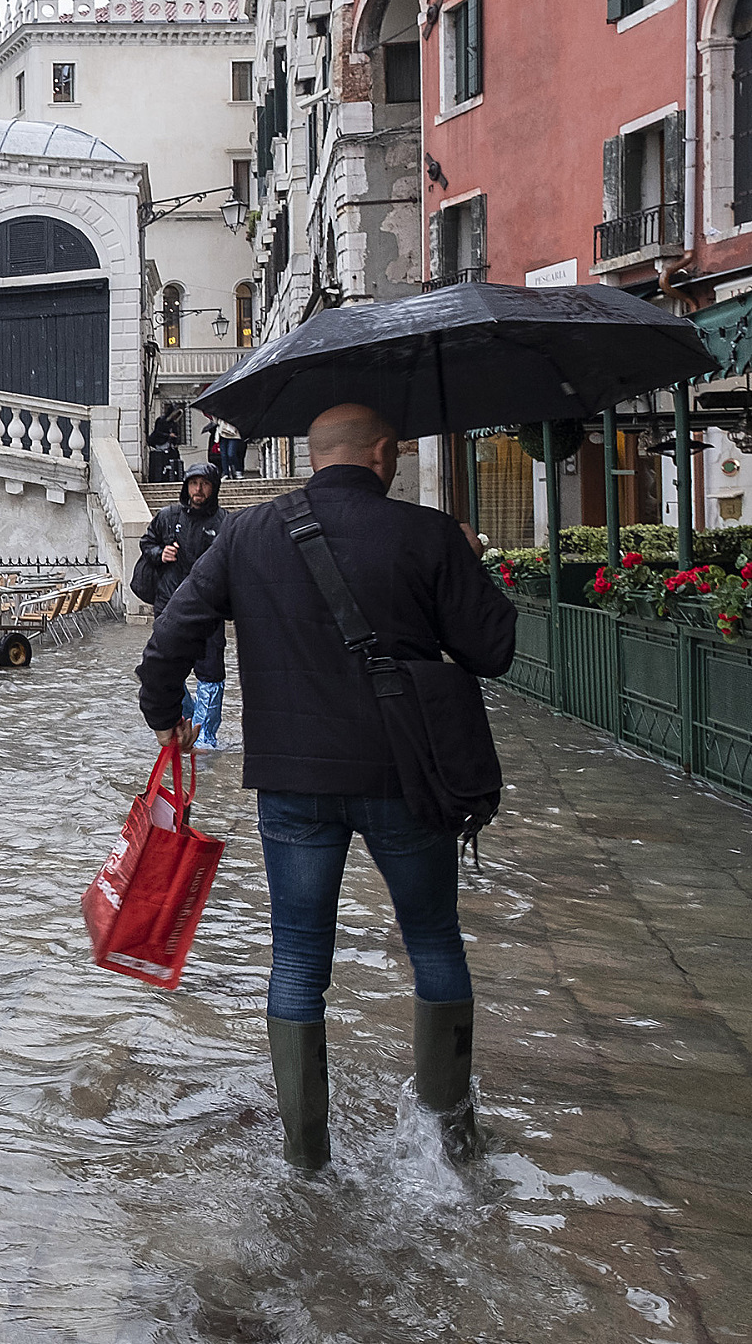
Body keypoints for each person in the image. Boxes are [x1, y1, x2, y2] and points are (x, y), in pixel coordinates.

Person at [136, 403, 516, 1170]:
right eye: (395, 451)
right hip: (407, 777)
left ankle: (308, 1154)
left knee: (298, 960)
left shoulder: (248, 534)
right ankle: (451, 1143)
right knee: (434, 941)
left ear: (316, 458)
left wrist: (165, 713)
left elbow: (170, 632)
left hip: (293, 780)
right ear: (380, 455)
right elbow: (493, 649)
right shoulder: (427, 532)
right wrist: (469, 556)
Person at [140, 462, 230, 750]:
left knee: (211, 672)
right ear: (185, 487)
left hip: (210, 611)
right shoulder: (167, 517)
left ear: (213, 487)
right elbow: (147, 543)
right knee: (164, 666)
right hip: (169, 604)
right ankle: (183, 716)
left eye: (204, 484)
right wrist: (159, 552)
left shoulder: (225, 523)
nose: (198, 490)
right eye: (193, 484)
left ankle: (206, 737)